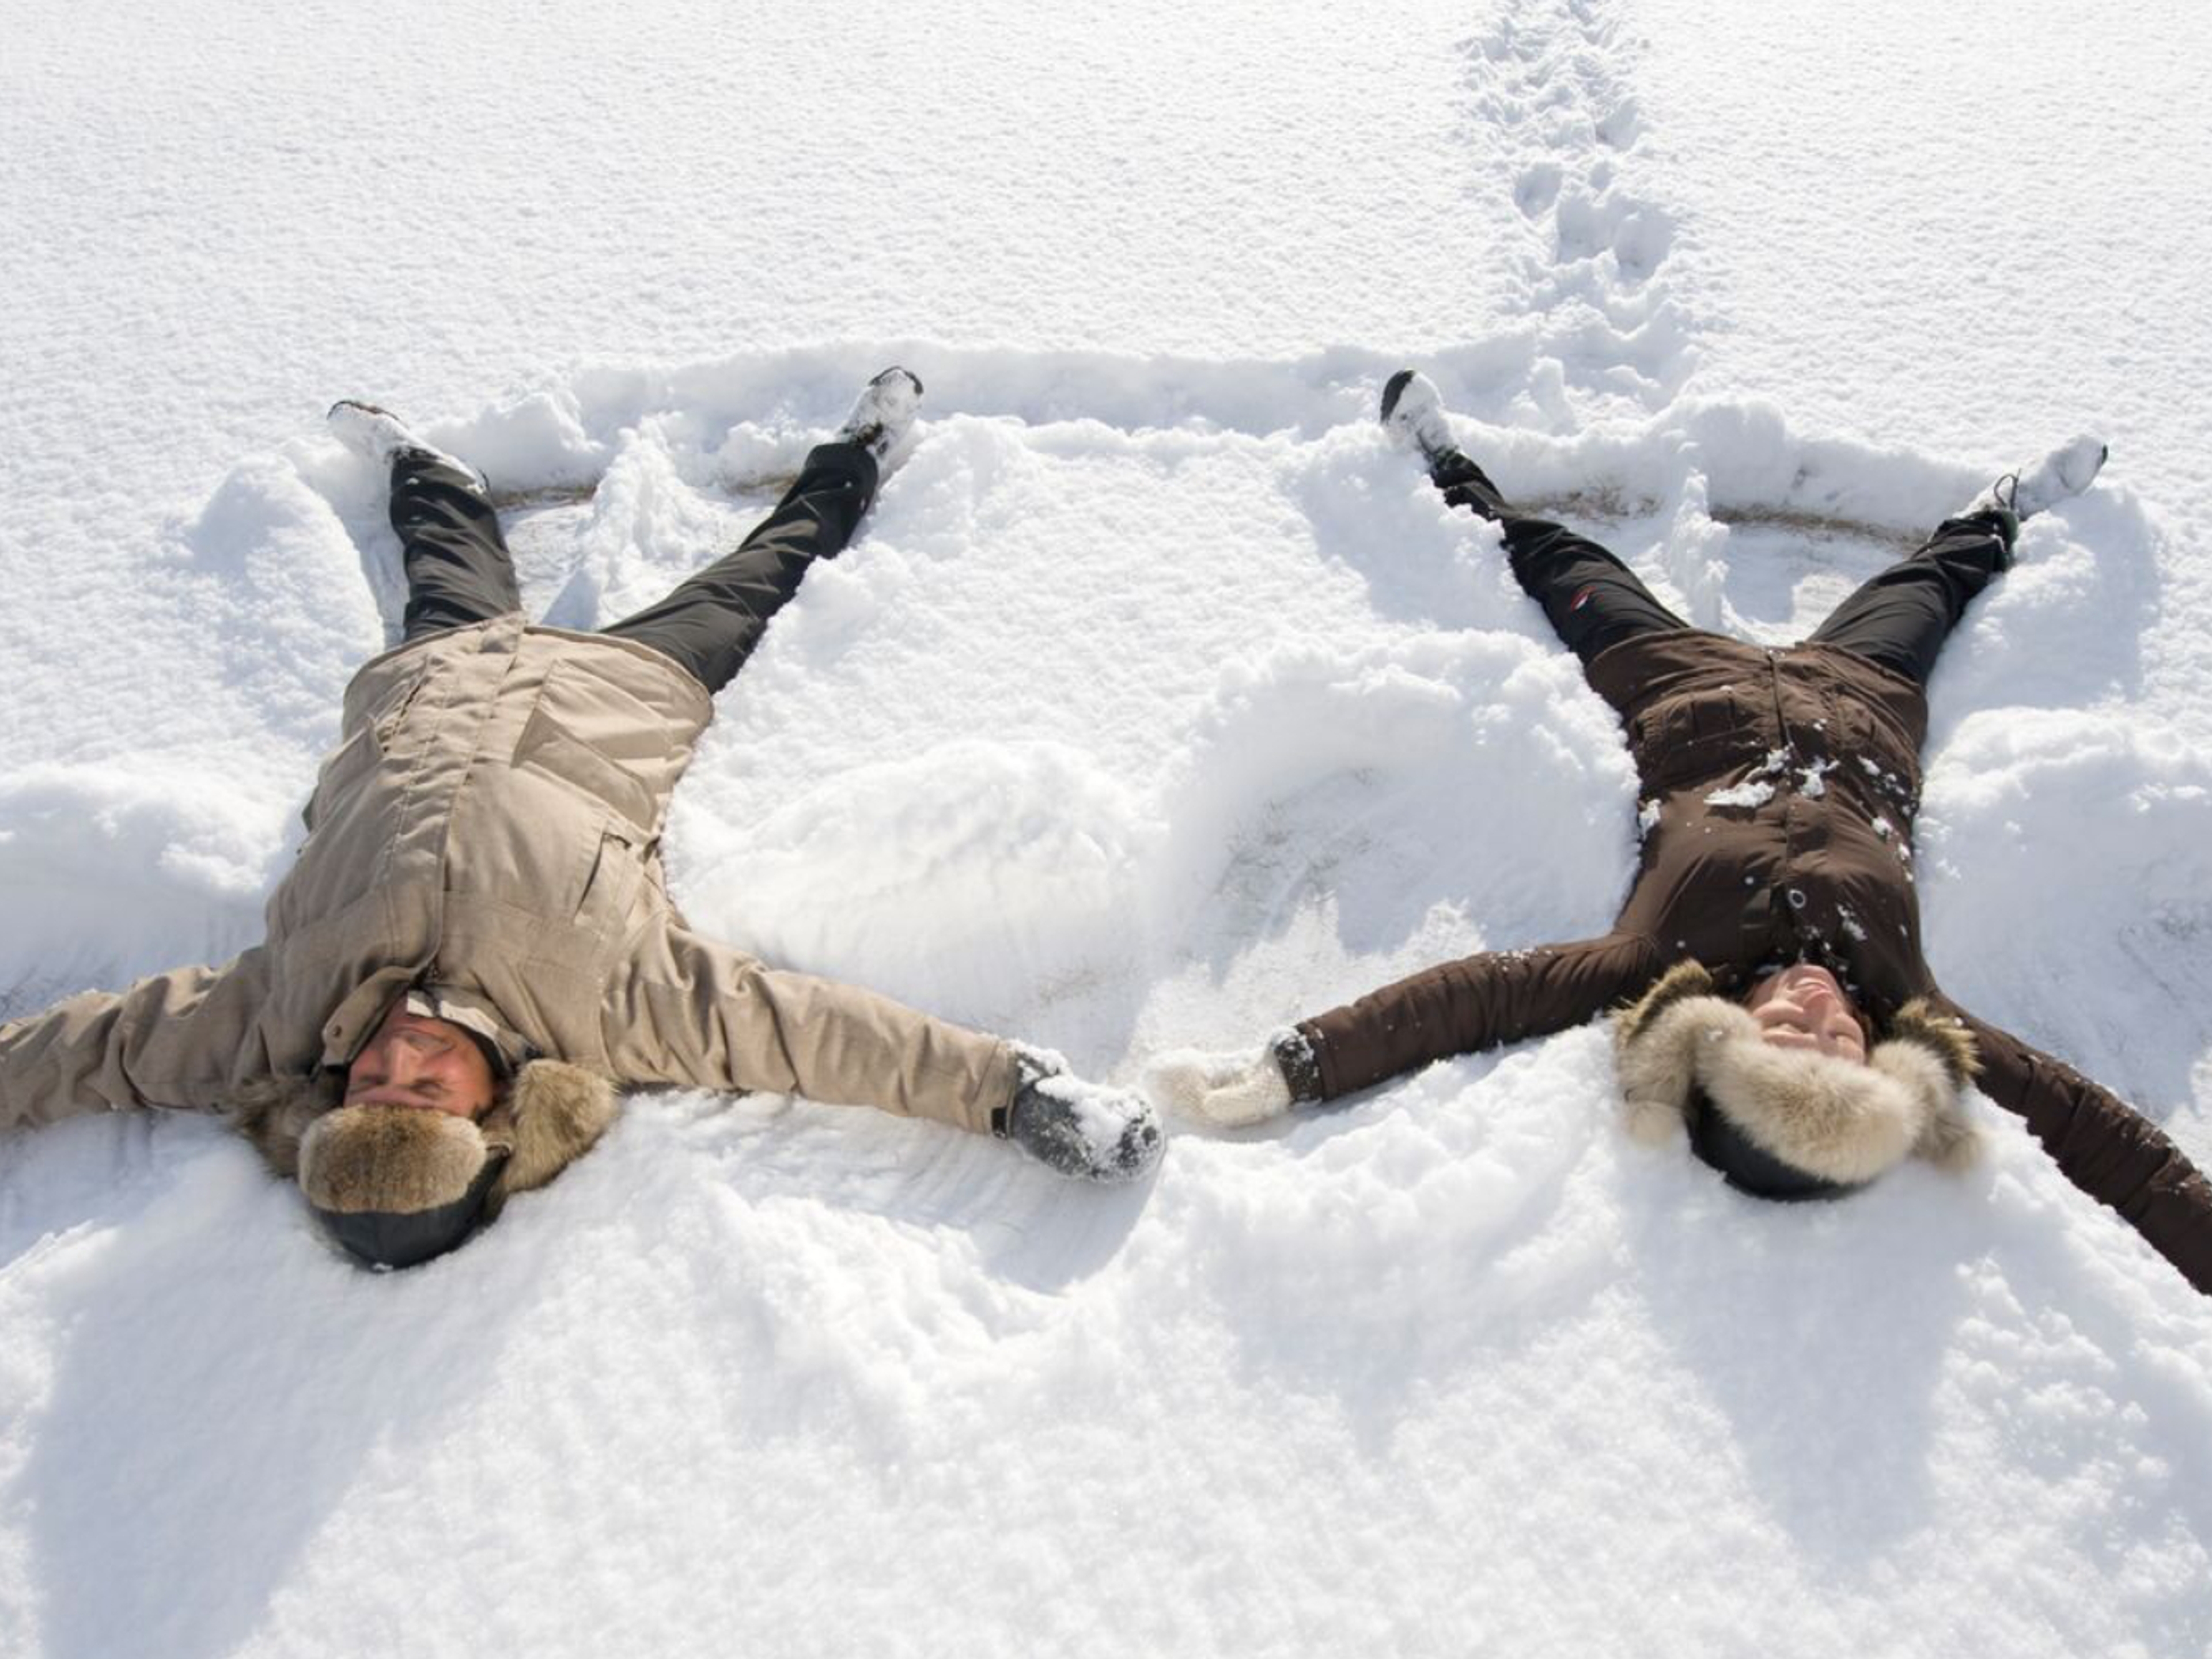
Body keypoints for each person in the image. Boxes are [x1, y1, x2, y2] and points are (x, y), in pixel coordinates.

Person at [0, 369, 1161, 1270]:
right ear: (493, 1109)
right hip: (620, 702)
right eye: (425, 1094)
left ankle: (424, 467)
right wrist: (1011, 1094)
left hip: (435, 686)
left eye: (372, 1092)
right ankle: (859, 453)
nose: (397, 1061)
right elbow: (817, 1037)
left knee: (444, 559)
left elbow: (84, 1056)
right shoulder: (613, 1008)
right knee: (766, 569)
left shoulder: (276, 1024)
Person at [1153, 370, 2212, 1298]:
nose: (1819, 1009)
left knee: (1558, 561)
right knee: (1933, 585)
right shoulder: (1914, 1002)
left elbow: (1471, 999)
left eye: (1786, 1035)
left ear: (1726, 1039)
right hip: (1864, 704)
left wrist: (1295, 1064)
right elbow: (2094, 1135)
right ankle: (2005, 512)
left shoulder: (1657, 963)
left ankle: (1444, 461)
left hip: (1685, 692)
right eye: (1842, 1041)